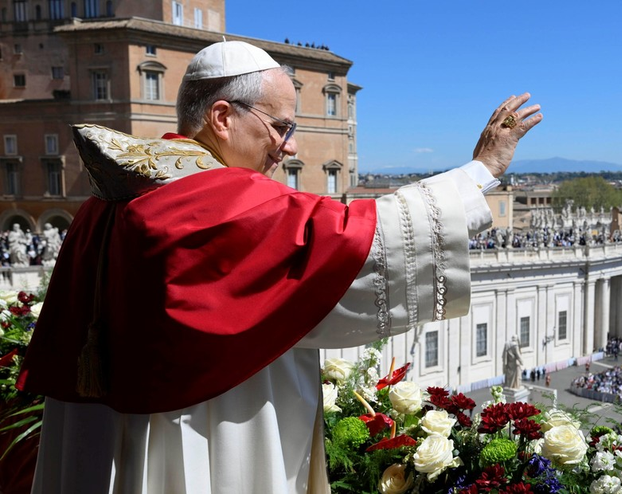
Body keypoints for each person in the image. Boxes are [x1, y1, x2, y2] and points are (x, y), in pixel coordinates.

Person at [17, 40, 541, 493]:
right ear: (223, 117)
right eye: (280, 127)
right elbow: (356, 238)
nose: (288, 148)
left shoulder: (112, 196)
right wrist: (482, 171)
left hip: (107, 437)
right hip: (201, 433)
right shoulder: (213, 198)